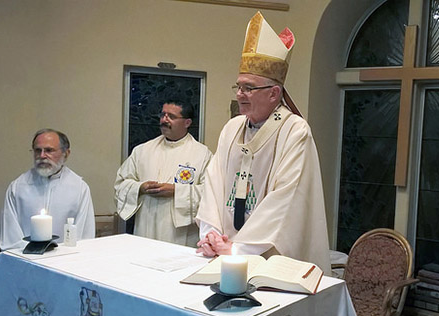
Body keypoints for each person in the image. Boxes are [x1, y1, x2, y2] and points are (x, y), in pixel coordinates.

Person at [196, 11, 331, 274]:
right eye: (238, 86)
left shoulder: (294, 131)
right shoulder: (232, 128)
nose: (239, 94)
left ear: (274, 93)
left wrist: (237, 249)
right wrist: (212, 233)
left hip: (269, 262)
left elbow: (286, 200)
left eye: (248, 88)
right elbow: (213, 183)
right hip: (223, 254)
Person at [115, 100, 212, 246]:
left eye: (171, 116)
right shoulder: (142, 151)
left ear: (187, 122)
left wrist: (176, 191)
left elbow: (210, 194)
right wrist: (140, 188)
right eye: (163, 115)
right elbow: (121, 183)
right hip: (145, 228)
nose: (164, 120)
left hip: (179, 235)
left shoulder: (202, 155)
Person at [0, 129, 95, 251]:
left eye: (49, 150)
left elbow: (84, 236)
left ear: (66, 153)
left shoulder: (79, 188)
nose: (42, 156)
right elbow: (11, 237)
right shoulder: (18, 187)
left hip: (65, 261)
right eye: (38, 150)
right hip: (26, 260)